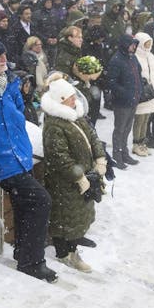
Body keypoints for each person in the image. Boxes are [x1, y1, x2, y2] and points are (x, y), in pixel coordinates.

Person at [0, 39, 57, 283]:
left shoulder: (11, 83)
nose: (3, 59)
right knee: (41, 200)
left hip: (20, 155)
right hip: (0, 160)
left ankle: (23, 253)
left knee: (26, 203)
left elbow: (17, 116)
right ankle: (32, 262)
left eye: (4, 54)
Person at [40, 78, 108, 273]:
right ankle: (65, 253)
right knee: (65, 218)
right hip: (65, 182)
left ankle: (75, 241)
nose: (74, 100)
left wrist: (100, 158)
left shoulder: (75, 114)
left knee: (79, 213)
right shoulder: (54, 125)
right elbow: (59, 157)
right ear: (60, 100)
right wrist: (79, 177)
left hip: (84, 174)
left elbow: (92, 136)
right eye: (70, 98)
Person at [107, 34, 143, 169]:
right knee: (120, 129)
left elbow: (138, 74)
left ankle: (124, 152)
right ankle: (117, 155)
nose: (134, 47)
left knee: (127, 128)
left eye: (135, 44)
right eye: (131, 44)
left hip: (133, 99)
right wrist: (124, 93)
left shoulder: (133, 58)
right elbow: (111, 82)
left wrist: (140, 90)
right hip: (122, 102)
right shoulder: (116, 60)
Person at [131, 31, 154, 157]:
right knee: (139, 119)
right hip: (142, 92)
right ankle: (136, 143)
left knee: (146, 119)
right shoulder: (136, 57)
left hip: (152, 92)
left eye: (150, 43)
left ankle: (142, 141)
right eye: (146, 43)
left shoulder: (151, 56)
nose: (148, 46)